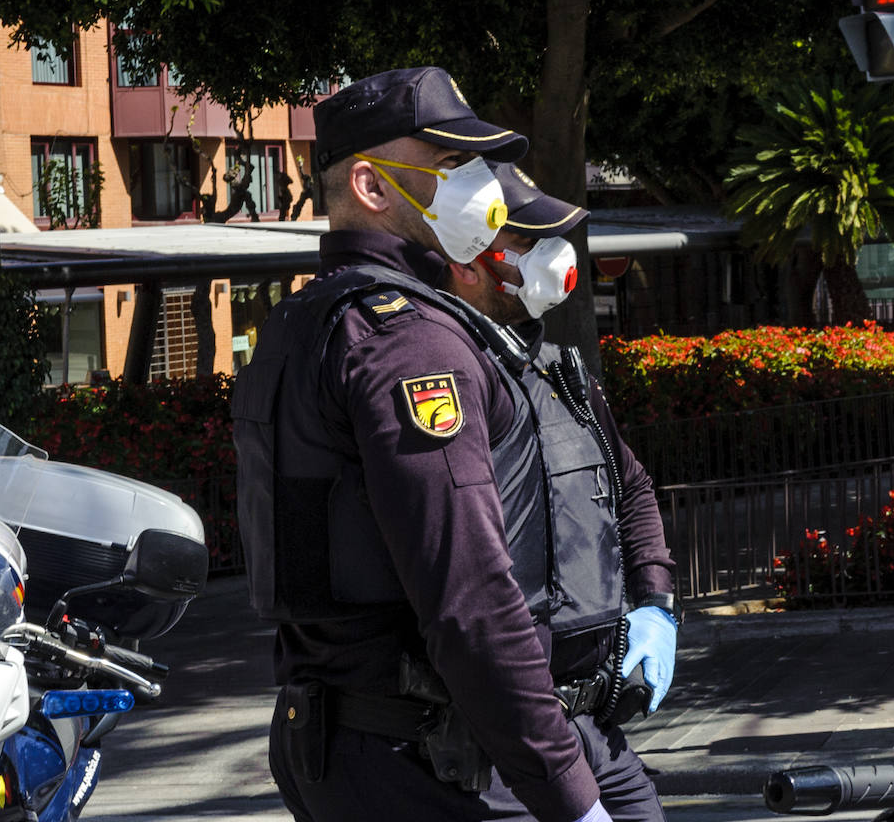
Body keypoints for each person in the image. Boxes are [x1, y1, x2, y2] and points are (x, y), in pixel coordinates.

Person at [231, 67, 609, 822]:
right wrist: (570, 795)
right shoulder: (410, 341)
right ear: (371, 187)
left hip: (347, 743)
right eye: (446, 167)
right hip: (433, 761)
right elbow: (469, 599)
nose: (480, 190)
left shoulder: (303, 320)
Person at [440, 163, 680, 822]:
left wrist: (654, 603)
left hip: (594, 729)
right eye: (527, 239)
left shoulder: (558, 376)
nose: (555, 256)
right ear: (467, 260)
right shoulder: (451, 382)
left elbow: (629, 484)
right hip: (502, 742)